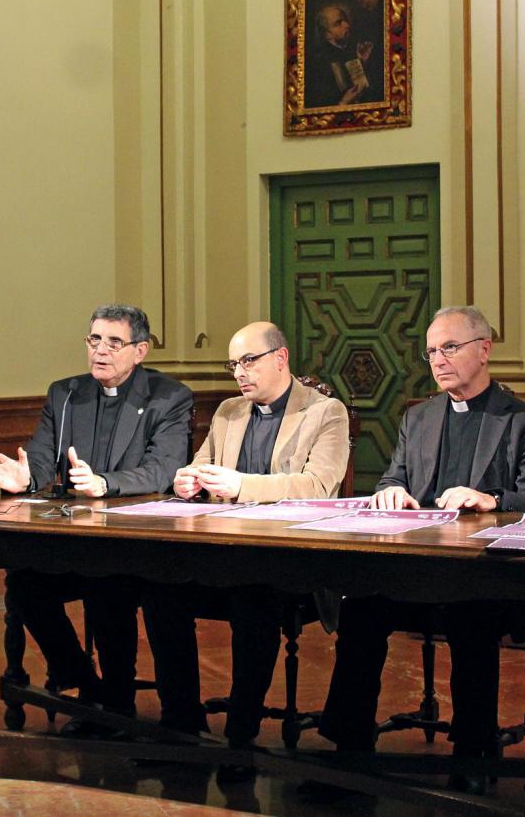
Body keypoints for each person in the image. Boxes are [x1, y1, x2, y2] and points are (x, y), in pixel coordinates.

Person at [314, 306, 525, 796]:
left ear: (484, 349)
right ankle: (350, 753)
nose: (438, 360)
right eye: (430, 351)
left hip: (486, 575)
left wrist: (493, 500)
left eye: (449, 347)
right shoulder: (419, 417)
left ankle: (472, 756)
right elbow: (393, 477)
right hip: (417, 568)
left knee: (474, 623)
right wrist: (389, 492)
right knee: (361, 609)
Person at [141, 321, 350, 781]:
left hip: (288, 560)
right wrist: (187, 480)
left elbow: (319, 486)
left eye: (248, 361)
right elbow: (200, 464)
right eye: (233, 363)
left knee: (254, 602)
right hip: (221, 553)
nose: (239, 372)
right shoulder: (228, 413)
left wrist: (240, 487)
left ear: (281, 358)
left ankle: (241, 734)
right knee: (159, 592)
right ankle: (182, 724)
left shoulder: (325, 412)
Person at [0, 305, 192, 726]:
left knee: (107, 586)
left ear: (140, 351)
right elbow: (43, 455)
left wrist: (106, 484)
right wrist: (25, 476)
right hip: (78, 541)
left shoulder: (169, 397)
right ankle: (84, 683)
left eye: (114, 342)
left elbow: (163, 469)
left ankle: (117, 704)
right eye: (94, 340)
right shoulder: (66, 394)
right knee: (25, 585)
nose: (101, 351)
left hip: (140, 544)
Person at [304, 3, 385, 108]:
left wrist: (362, 63)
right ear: (327, 34)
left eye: (345, 20)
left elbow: (366, 90)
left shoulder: (354, 50)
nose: (347, 25)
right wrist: (343, 103)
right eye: (338, 23)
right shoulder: (318, 63)